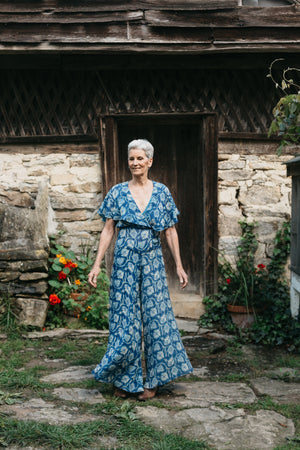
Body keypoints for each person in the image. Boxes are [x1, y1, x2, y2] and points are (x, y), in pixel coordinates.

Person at [88, 138, 193, 400]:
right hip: (124, 259)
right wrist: (97, 263)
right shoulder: (117, 192)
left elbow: (170, 230)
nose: (135, 163)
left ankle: (154, 380)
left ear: (150, 161)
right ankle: (124, 379)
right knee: (125, 317)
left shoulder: (162, 192)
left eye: (139, 159)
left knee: (156, 317)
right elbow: (108, 229)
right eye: (131, 159)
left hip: (152, 259)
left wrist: (179, 265)